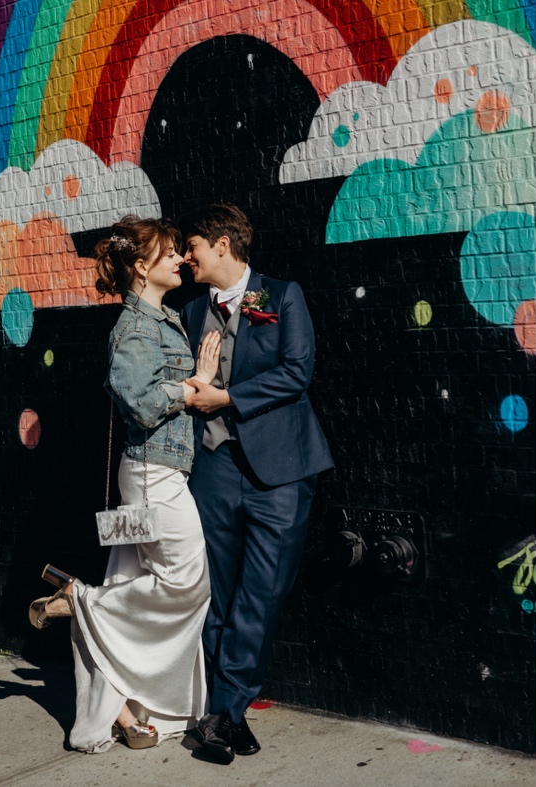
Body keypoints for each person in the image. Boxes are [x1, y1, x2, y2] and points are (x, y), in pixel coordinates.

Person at [30, 215, 221, 752]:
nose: (180, 259)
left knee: (133, 584)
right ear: (141, 267)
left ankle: (127, 712)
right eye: (168, 254)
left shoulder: (161, 317)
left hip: (157, 469)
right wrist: (193, 388)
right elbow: (137, 402)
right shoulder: (135, 327)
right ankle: (80, 598)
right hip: (152, 473)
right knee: (188, 583)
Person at [175, 203, 333, 764]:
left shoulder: (277, 296)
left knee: (261, 593)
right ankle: (227, 714)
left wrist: (228, 397)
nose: (186, 257)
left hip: (280, 472)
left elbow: (297, 371)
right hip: (215, 468)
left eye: (191, 246)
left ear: (221, 244)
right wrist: (197, 386)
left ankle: (224, 707)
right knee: (215, 594)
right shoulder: (192, 312)